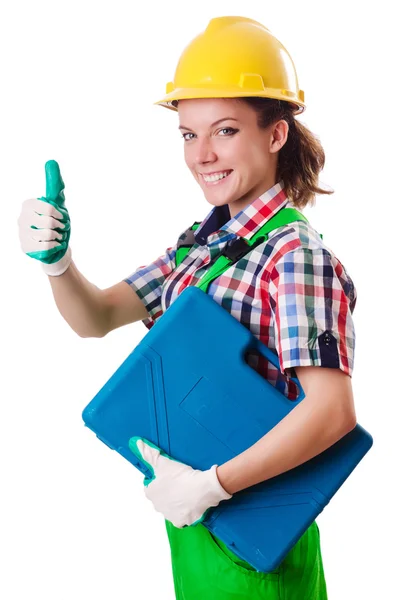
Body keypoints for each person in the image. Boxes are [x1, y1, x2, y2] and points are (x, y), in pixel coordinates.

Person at [18, 15, 358, 600]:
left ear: (276, 134)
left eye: (224, 130)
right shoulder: (200, 245)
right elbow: (95, 317)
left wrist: (213, 486)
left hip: (256, 538)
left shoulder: (294, 256)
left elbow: (332, 413)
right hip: (200, 523)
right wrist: (58, 263)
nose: (202, 154)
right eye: (187, 134)